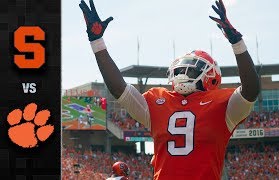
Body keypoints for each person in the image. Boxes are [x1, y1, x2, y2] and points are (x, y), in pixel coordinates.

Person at [79, 0, 260, 179]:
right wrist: (97, 41)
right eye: (180, 68)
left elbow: (251, 91)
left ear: (211, 78)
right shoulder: (157, 99)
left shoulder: (223, 104)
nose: (182, 72)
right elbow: (118, 89)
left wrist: (237, 43)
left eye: (191, 68)